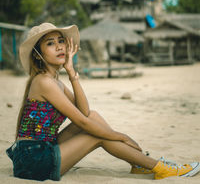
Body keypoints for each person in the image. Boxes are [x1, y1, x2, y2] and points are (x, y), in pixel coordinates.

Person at [6, 22, 200, 181]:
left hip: (44, 147)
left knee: (95, 117)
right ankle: (158, 167)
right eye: (50, 43)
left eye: (61, 41)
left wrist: (72, 74)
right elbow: (82, 122)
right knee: (95, 135)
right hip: (33, 160)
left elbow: (85, 112)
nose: (59, 46)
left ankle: (138, 164)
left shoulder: (55, 82)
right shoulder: (43, 82)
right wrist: (119, 136)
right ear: (37, 54)